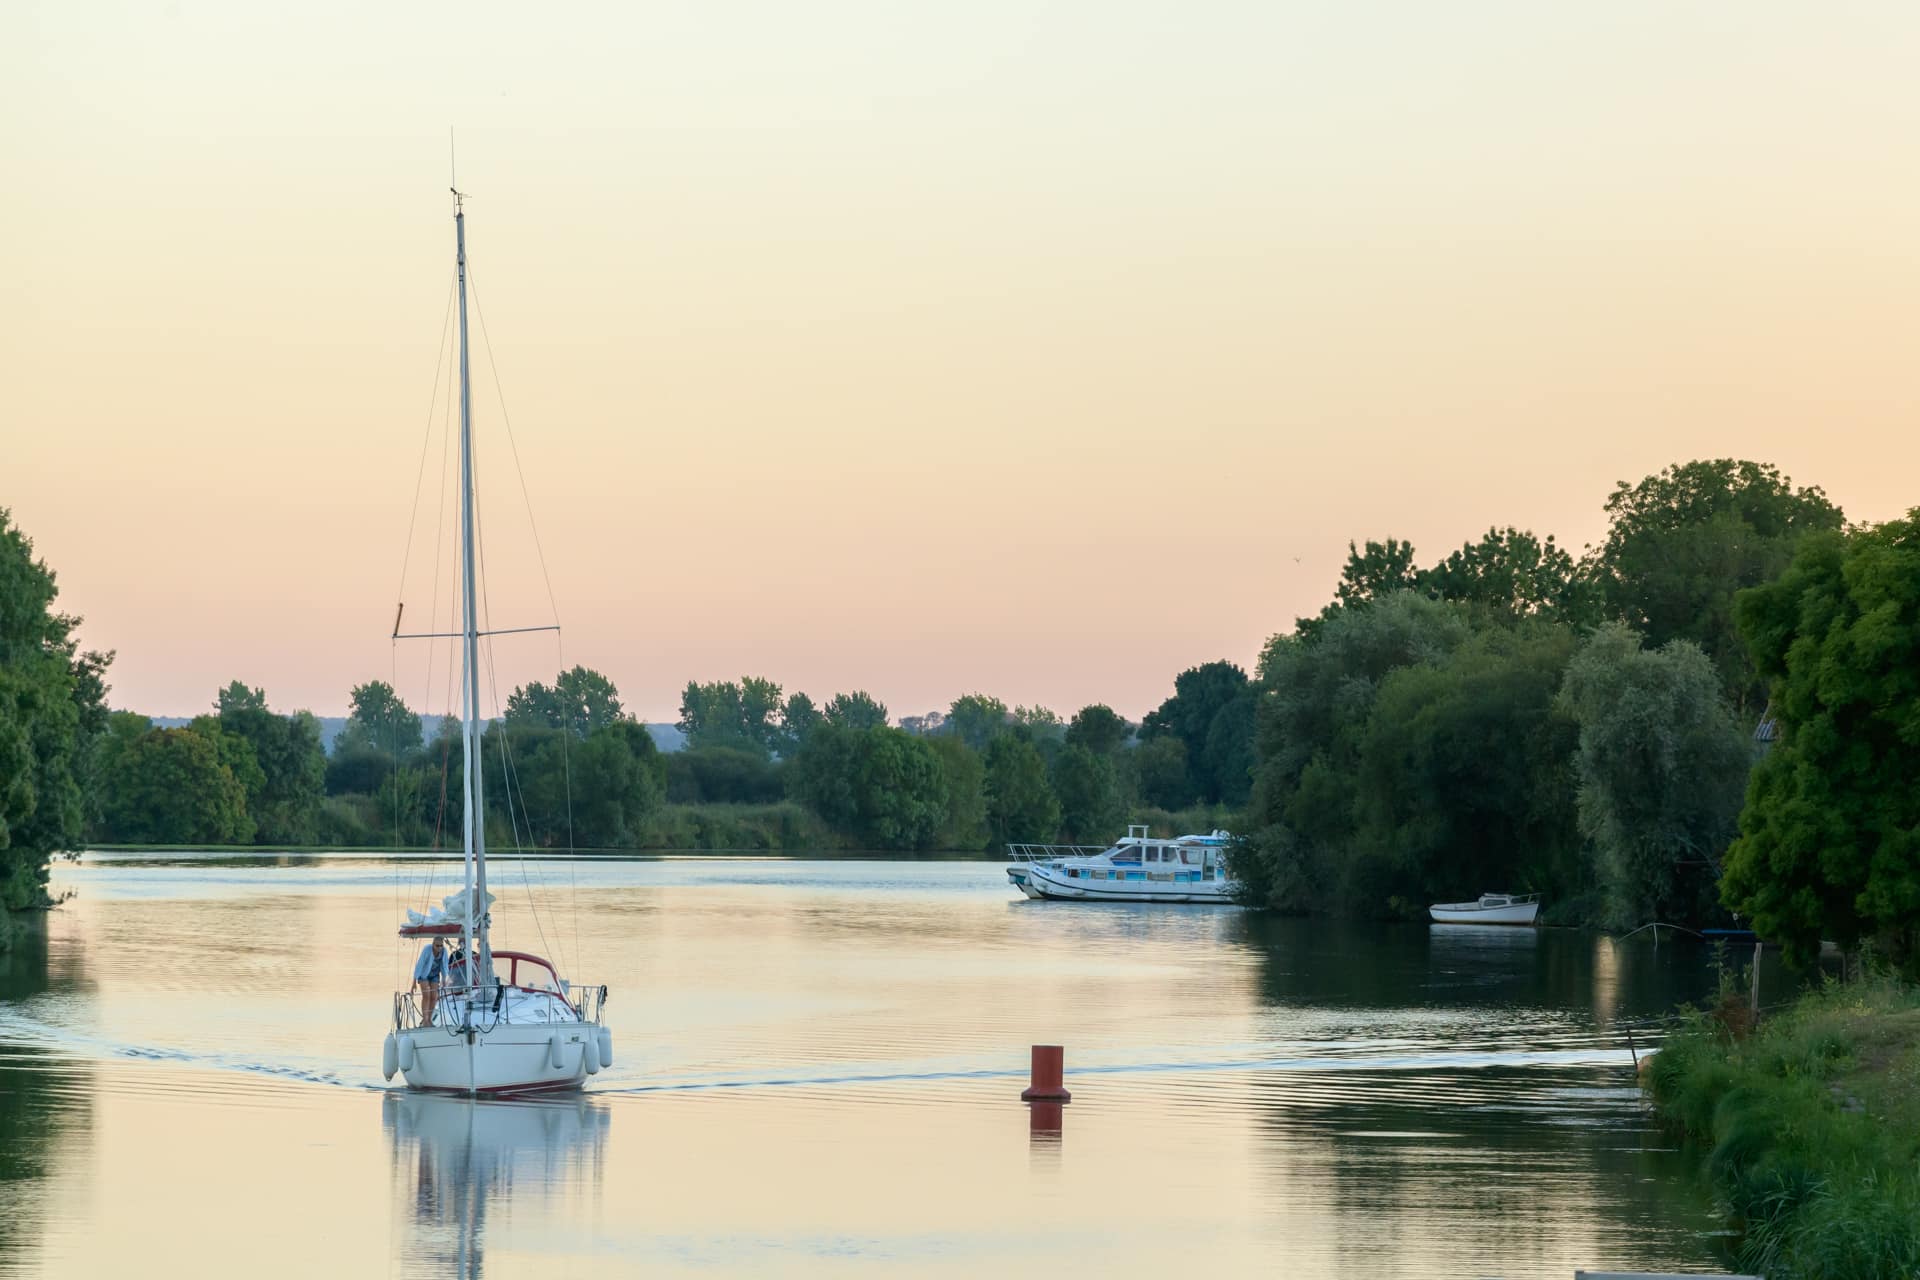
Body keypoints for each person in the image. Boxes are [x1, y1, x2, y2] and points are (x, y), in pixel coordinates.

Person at [412, 936, 446, 1023]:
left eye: (441, 946)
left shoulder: (443, 952)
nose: (439, 948)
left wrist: (444, 979)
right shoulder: (427, 950)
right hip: (424, 975)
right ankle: (425, 1019)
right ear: (433, 944)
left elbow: (444, 966)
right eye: (437, 945)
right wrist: (414, 982)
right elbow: (420, 964)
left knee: (434, 997)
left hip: (435, 975)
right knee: (427, 996)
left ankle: (429, 1019)